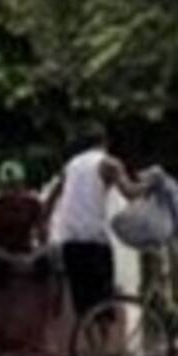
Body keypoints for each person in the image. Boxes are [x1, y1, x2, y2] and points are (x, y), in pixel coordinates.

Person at [42, 124, 156, 319]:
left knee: (83, 305)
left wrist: (43, 227)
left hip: (69, 241)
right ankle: (103, 348)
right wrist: (152, 183)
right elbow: (129, 193)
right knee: (103, 302)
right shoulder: (109, 163)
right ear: (105, 142)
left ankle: (89, 346)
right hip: (95, 239)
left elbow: (50, 201)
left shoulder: (70, 166)